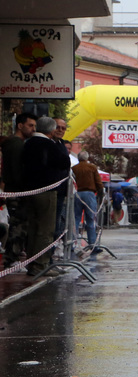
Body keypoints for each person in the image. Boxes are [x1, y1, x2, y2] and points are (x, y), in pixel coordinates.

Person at [20, 116, 70, 276]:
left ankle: (30, 262)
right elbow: (64, 162)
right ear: (51, 130)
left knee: (33, 227)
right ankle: (40, 265)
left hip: (29, 190)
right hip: (47, 190)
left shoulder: (27, 144)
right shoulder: (49, 145)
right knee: (46, 229)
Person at [1, 112, 36, 266]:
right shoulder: (16, 145)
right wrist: (23, 188)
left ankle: (12, 256)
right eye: (30, 125)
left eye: (34, 126)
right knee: (18, 226)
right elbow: (16, 171)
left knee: (18, 224)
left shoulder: (15, 143)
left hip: (15, 190)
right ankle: (11, 257)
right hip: (17, 191)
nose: (33, 129)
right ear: (20, 125)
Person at [72, 150, 103, 248]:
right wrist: (101, 193)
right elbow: (98, 182)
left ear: (78, 158)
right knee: (90, 219)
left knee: (76, 219)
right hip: (89, 194)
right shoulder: (92, 167)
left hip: (77, 193)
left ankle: (73, 243)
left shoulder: (74, 168)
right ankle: (92, 243)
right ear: (87, 158)